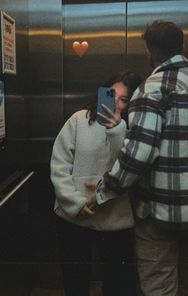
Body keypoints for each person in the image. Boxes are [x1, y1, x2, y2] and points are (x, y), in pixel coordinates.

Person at [93, 21, 188, 296]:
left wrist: (105, 189)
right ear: (181, 47)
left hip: (161, 214)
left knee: (160, 288)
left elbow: (139, 155)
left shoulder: (150, 90)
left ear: (149, 51)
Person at [50, 71, 142, 296]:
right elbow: (59, 165)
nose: (117, 104)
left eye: (124, 99)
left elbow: (131, 164)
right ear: (102, 94)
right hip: (74, 216)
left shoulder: (136, 127)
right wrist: (75, 203)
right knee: (75, 280)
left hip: (116, 220)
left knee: (118, 282)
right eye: (112, 96)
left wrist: (118, 130)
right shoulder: (79, 120)